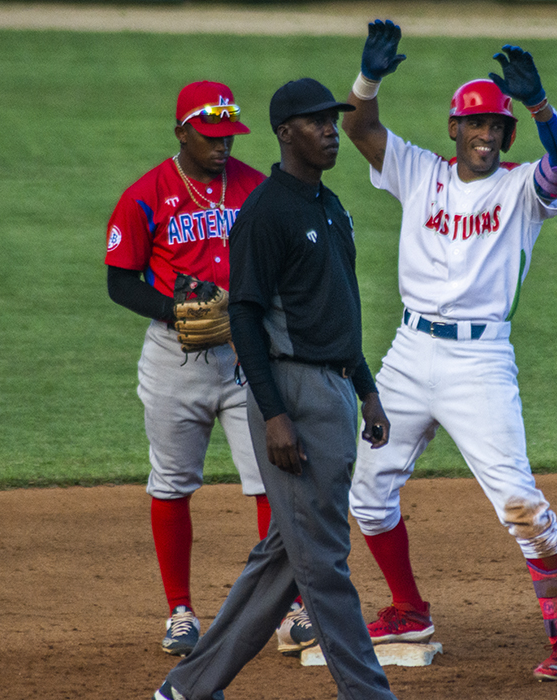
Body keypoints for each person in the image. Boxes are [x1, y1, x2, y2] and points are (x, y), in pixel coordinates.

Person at [342, 20, 557, 682]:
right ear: (453, 129)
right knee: (366, 494)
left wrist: (541, 107)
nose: (487, 137)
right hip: (407, 353)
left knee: (519, 502)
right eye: (476, 125)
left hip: (479, 363)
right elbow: (362, 131)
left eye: (497, 129)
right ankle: (407, 610)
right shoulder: (419, 172)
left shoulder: (521, 190)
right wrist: (366, 81)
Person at [154, 77, 398, 700]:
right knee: (323, 561)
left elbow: (339, 306)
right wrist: (273, 414)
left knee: (285, 558)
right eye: (316, 122)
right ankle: (368, 693)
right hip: (294, 393)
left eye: (332, 120)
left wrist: (366, 387)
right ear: (285, 132)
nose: (329, 131)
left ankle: (187, 688)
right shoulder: (265, 212)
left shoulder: (331, 206)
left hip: (336, 391)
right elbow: (243, 315)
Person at [104, 80, 318, 658]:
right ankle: (179, 611)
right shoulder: (145, 194)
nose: (223, 146)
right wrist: (175, 311)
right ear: (182, 132)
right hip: (175, 359)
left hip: (248, 357)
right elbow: (119, 280)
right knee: (172, 482)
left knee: (270, 477)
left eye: (229, 135)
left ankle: (288, 608)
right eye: (211, 135)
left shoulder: (255, 187)